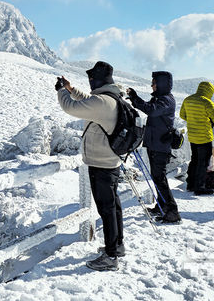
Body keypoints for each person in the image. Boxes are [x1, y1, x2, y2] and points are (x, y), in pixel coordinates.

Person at [55, 61, 126, 272]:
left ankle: (111, 257)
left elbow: (71, 107)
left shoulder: (103, 102)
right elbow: (88, 100)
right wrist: (70, 89)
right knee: (114, 206)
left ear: (96, 80)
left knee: (107, 209)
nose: (90, 82)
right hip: (110, 161)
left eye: (92, 79)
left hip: (101, 163)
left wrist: (61, 92)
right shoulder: (111, 98)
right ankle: (117, 246)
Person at [126, 72, 181, 224]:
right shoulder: (160, 99)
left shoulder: (166, 101)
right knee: (157, 178)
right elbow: (150, 108)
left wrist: (135, 98)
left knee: (160, 179)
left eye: (154, 83)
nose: (152, 85)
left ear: (162, 84)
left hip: (160, 146)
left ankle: (172, 213)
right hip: (154, 144)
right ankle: (161, 206)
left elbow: (151, 110)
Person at [180, 81, 214, 195]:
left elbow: (182, 115)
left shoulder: (188, 99)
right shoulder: (206, 102)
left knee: (194, 160)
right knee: (203, 163)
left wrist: (193, 119)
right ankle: (199, 187)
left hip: (193, 136)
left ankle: (190, 184)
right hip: (204, 137)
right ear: (209, 92)